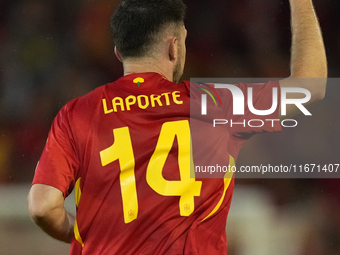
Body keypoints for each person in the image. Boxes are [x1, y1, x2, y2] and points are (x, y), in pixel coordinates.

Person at [27, 0, 327, 254]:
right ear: (174, 47)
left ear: (119, 52)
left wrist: (87, 234)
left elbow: (42, 206)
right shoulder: (216, 104)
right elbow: (310, 86)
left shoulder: (77, 113)